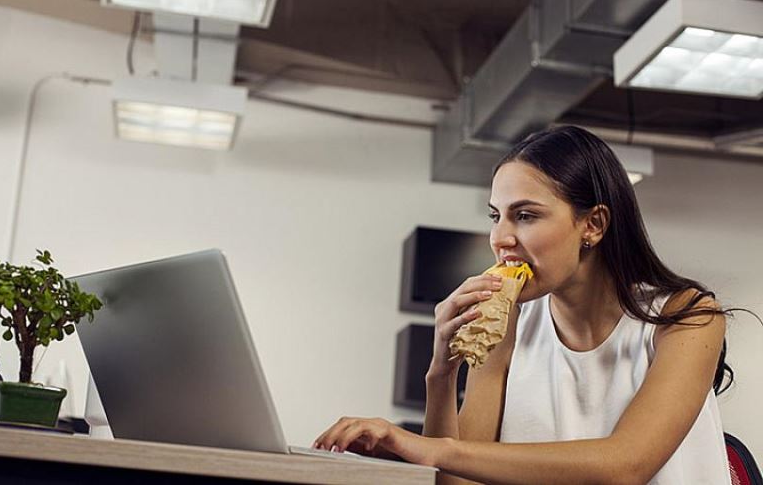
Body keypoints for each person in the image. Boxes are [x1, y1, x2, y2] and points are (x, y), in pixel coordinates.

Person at [313, 125, 733, 484]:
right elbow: (461, 481)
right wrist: (442, 371)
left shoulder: (690, 316)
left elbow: (623, 467)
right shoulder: (507, 323)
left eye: (526, 216)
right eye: (496, 216)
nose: (500, 238)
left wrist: (423, 448)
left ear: (594, 224)